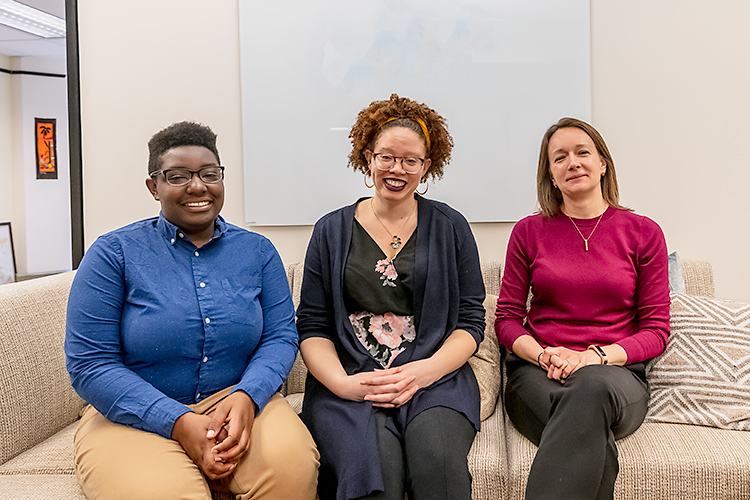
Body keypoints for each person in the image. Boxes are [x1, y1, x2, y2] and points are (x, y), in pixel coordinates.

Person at [65, 121, 319, 500]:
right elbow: (90, 362)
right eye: (178, 176)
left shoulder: (258, 251)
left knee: (291, 470)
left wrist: (248, 396)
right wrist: (178, 421)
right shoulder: (113, 253)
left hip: (236, 398)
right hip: (134, 412)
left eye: (209, 174)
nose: (198, 186)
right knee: (162, 492)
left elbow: (280, 336)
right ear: (154, 186)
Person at [296, 94, 486, 500]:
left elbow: (471, 321)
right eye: (386, 156)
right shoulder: (330, 230)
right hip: (351, 377)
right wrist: (345, 385)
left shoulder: (451, 226)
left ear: (426, 167)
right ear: (367, 158)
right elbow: (312, 325)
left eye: (410, 160)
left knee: (437, 464)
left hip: (435, 377)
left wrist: (426, 372)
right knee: (374, 471)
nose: (397, 169)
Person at [495, 117, 670, 500]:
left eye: (582, 152)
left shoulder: (644, 232)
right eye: (559, 158)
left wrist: (594, 358)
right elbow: (506, 318)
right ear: (551, 177)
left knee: (589, 389)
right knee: (593, 440)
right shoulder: (529, 232)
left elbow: (656, 330)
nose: (572, 162)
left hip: (615, 376)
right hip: (537, 375)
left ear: (603, 163)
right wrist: (543, 355)